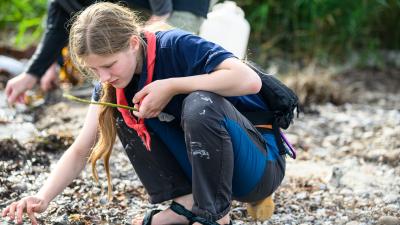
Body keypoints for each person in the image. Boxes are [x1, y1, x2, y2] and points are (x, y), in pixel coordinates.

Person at [2, 2, 285, 225]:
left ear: (133, 43)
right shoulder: (110, 83)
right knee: (118, 106)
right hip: (204, 173)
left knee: (200, 103)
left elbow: (249, 81)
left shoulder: (175, 45)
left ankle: (214, 215)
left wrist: (172, 86)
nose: (104, 76)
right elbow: (80, 149)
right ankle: (184, 202)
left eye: (110, 65)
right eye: (94, 70)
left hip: (257, 166)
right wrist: (42, 196)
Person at [5, 0, 210, 105]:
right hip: (140, 8)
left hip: (180, 6)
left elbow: (161, 14)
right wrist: (33, 73)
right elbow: (56, 26)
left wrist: (159, 16)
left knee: (158, 62)